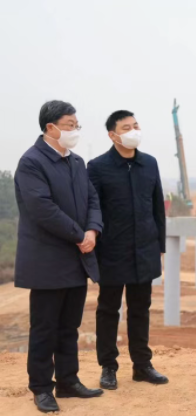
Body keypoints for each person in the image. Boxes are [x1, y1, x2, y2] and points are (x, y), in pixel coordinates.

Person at [14, 100, 104, 413]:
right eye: (69, 125)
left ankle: (68, 381)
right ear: (50, 127)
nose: (75, 130)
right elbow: (42, 209)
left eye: (76, 125)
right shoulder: (32, 162)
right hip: (47, 259)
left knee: (69, 326)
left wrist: (92, 230)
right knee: (44, 328)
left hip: (77, 258)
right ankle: (41, 388)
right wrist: (79, 235)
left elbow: (93, 200)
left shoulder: (76, 162)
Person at [88, 110, 168, 390]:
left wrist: (159, 246)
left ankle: (142, 365)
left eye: (136, 125)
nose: (134, 130)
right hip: (111, 250)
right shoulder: (97, 167)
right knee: (108, 309)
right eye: (126, 127)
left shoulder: (150, 163)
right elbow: (92, 209)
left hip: (144, 249)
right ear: (113, 135)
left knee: (140, 309)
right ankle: (108, 366)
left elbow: (157, 207)